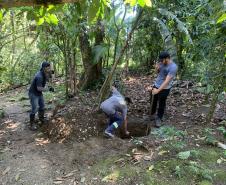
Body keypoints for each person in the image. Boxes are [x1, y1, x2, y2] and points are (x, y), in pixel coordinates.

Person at [149, 51, 178, 127]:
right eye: (160, 60)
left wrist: (158, 90)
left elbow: (166, 81)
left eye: (162, 60)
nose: (161, 62)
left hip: (165, 87)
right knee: (153, 100)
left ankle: (159, 118)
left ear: (167, 58)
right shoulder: (161, 63)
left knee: (161, 102)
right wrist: (157, 68)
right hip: (156, 84)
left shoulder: (173, 67)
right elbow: (158, 73)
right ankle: (152, 115)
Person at [28, 61, 54, 131]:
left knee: (42, 106)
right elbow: (39, 88)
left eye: (49, 68)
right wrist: (48, 89)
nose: (49, 69)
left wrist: (51, 75)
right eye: (47, 68)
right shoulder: (39, 76)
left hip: (39, 93)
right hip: (33, 93)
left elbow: (48, 78)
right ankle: (31, 124)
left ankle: (41, 120)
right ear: (43, 68)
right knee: (35, 108)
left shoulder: (45, 73)